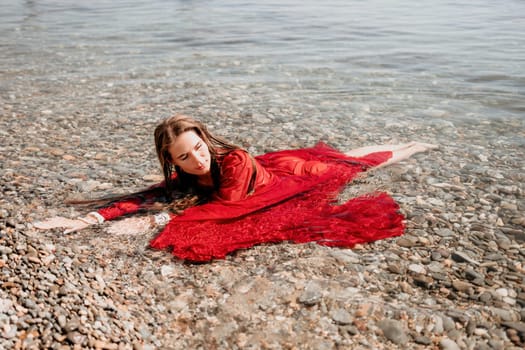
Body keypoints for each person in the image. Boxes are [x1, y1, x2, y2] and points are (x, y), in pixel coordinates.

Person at [35, 115, 437, 261]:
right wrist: (89, 218)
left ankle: (413, 147)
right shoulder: (186, 176)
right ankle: (401, 144)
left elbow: (228, 207)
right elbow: (148, 196)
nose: (197, 160)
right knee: (346, 157)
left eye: (198, 148)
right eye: (185, 157)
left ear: (204, 139)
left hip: (292, 175)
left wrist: (161, 219)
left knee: (353, 164)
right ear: (172, 161)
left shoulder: (234, 160)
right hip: (271, 173)